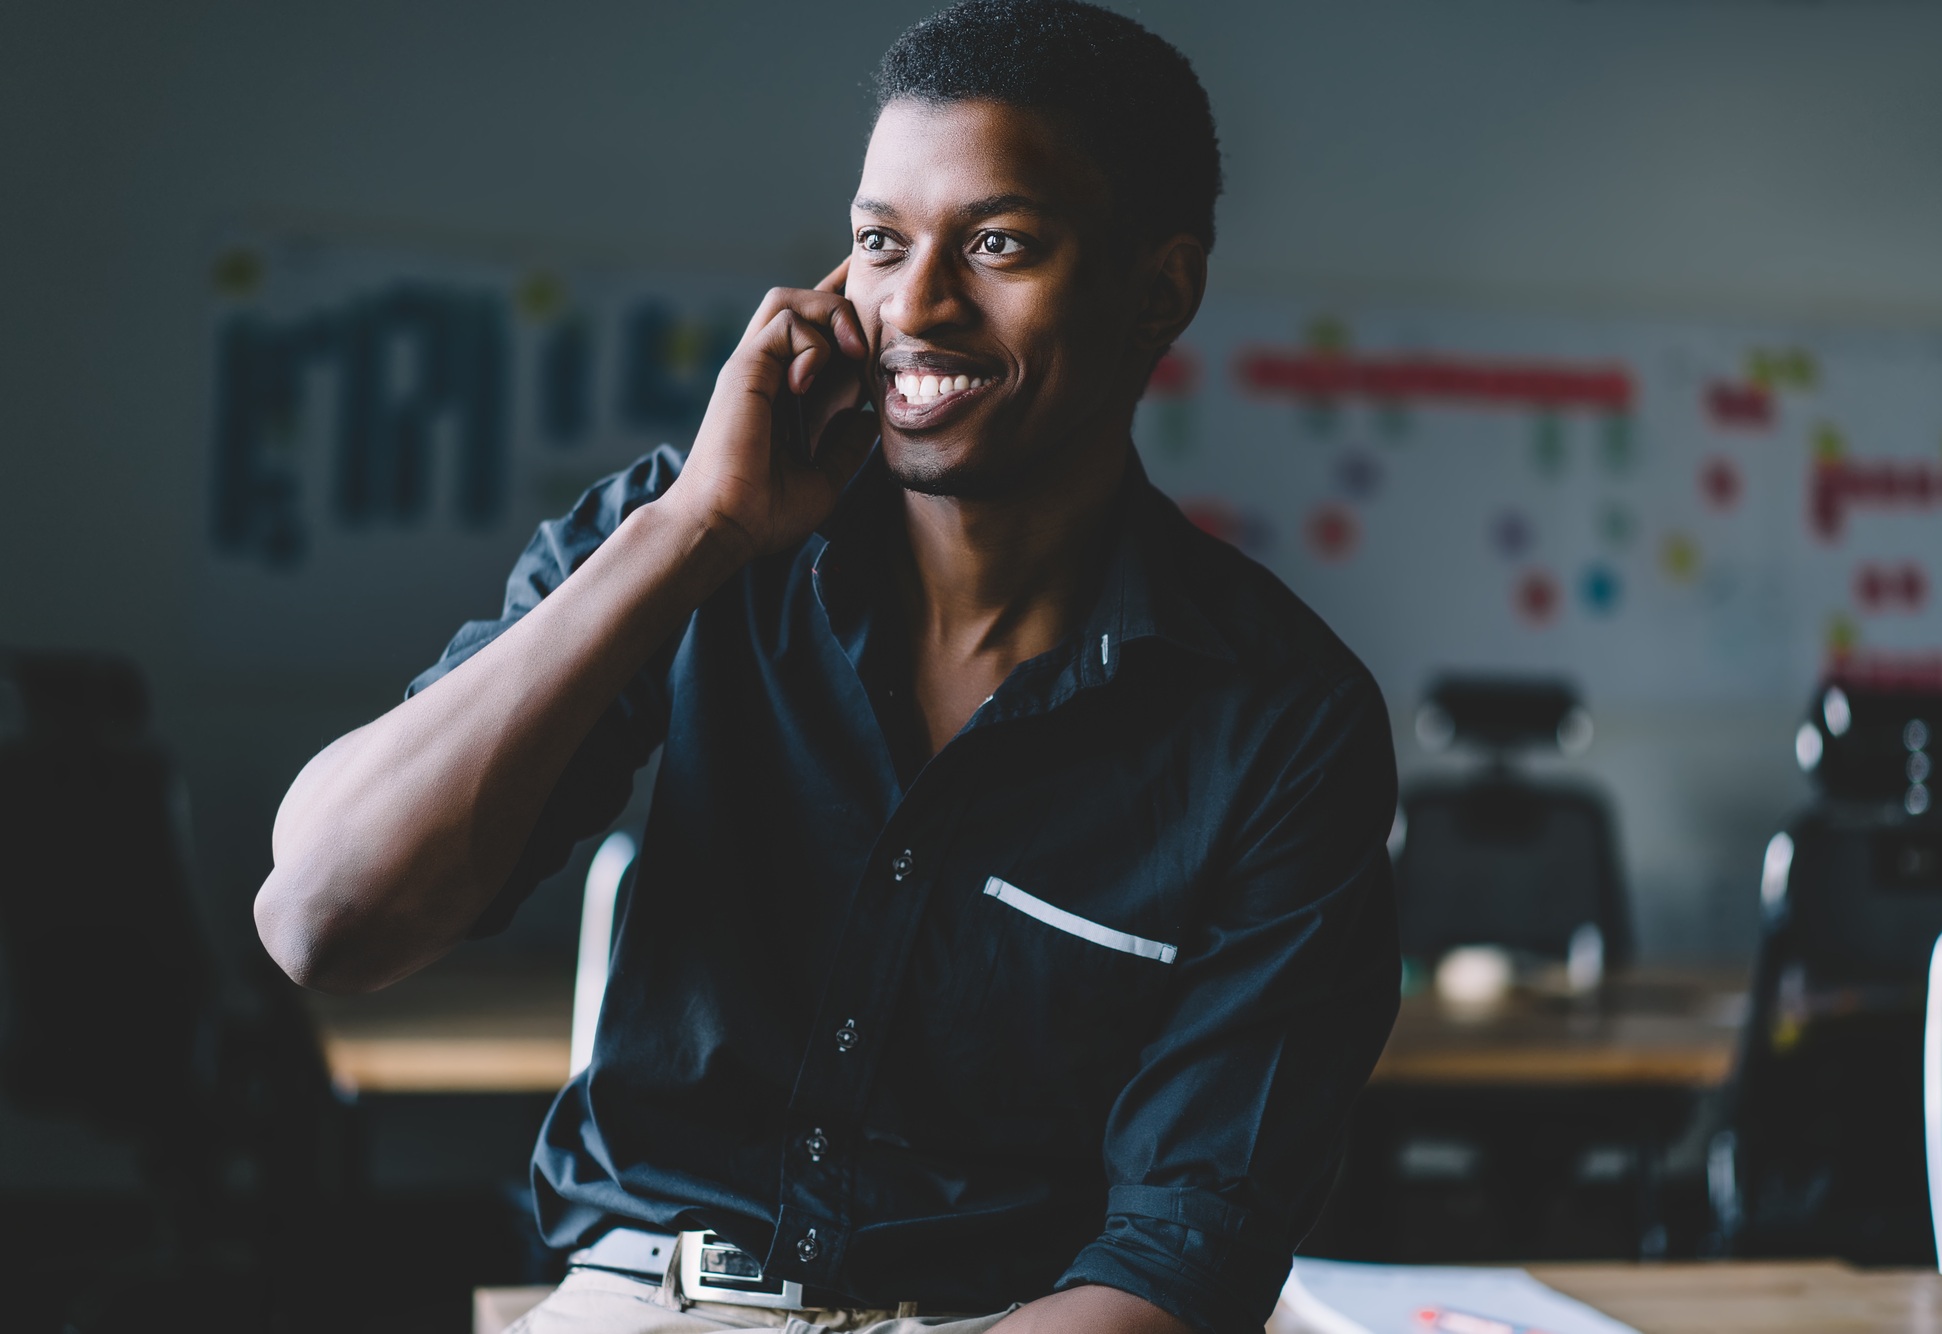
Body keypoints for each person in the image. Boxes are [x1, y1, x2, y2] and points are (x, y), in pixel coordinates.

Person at [254, 2, 1400, 1330]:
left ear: (1161, 289)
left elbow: (1178, 1258)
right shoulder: (684, 546)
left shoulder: (1283, 722)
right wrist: (694, 529)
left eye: (997, 243)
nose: (913, 306)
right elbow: (322, 919)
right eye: (876, 243)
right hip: (654, 1296)